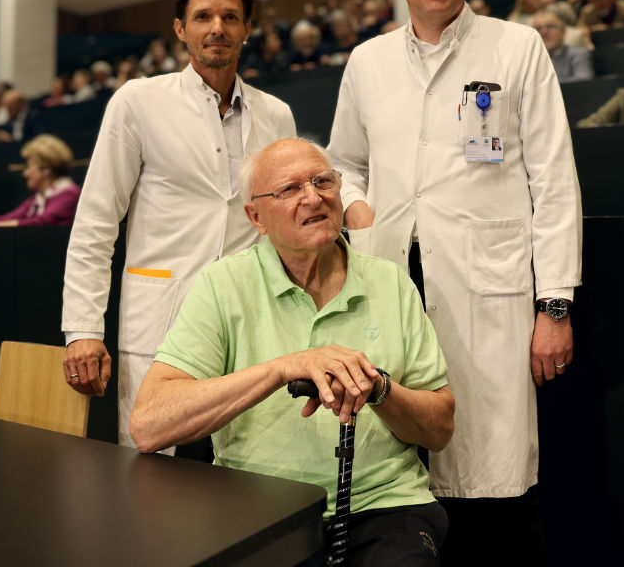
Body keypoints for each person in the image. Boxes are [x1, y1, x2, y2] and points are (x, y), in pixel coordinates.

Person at [327, 0, 583, 565]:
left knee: (490, 475)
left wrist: (554, 304)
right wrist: (355, 206)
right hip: (389, 284)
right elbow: (343, 164)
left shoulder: (516, 47)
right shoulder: (367, 62)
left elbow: (554, 182)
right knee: (400, 476)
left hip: (487, 291)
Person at [130, 138, 453, 563]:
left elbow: (440, 429)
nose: (313, 197)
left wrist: (378, 389)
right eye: (290, 189)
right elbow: (149, 425)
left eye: (323, 181)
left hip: (384, 506)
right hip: (255, 509)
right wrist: (283, 368)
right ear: (256, 217)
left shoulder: (389, 282)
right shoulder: (224, 285)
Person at [61, 0, 297, 446]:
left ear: (247, 30)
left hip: (249, 317)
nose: (217, 28)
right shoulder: (138, 101)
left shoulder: (276, 114)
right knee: (153, 469)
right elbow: (96, 222)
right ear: (180, 28)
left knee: (250, 466)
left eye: (231, 17)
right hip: (163, 316)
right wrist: (83, 329)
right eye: (203, 16)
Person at [0, 134, 81, 227]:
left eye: (29, 167)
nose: (25, 173)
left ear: (46, 169)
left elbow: (42, 223)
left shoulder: (69, 194)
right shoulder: (37, 199)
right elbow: (7, 218)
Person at [531, 10, 595, 83]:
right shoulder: (530, 59)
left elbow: (583, 80)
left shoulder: (578, 54)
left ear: (563, 32)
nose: (544, 32)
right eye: (538, 29)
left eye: (550, 27)